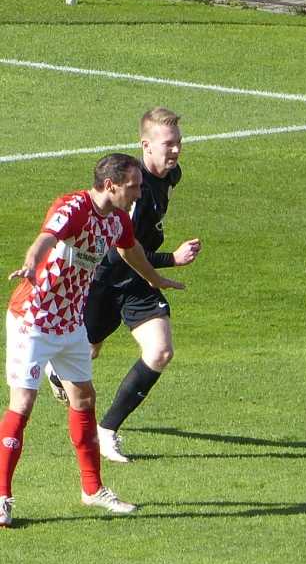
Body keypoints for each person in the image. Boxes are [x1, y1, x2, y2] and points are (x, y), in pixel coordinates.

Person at [4, 154, 181, 524]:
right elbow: (45, 238)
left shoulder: (118, 219)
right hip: (33, 318)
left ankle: (92, 490)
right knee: (22, 404)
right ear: (111, 185)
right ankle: (2, 495)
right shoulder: (73, 208)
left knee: (84, 398)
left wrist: (155, 279)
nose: (138, 193)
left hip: (71, 324)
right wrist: (30, 263)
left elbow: (131, 250)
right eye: (133, 186)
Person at [50, 107, 200, 463]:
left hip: (137, 281)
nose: (175, 150)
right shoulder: (134, 193)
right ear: (145, 145)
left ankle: (107, 431)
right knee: (89, 350)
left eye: (178, 142)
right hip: (105, 280)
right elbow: (121, 253)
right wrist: (172, 258)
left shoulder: (171, 174)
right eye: (168, 144)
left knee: (160, 352)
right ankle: (57, 372)